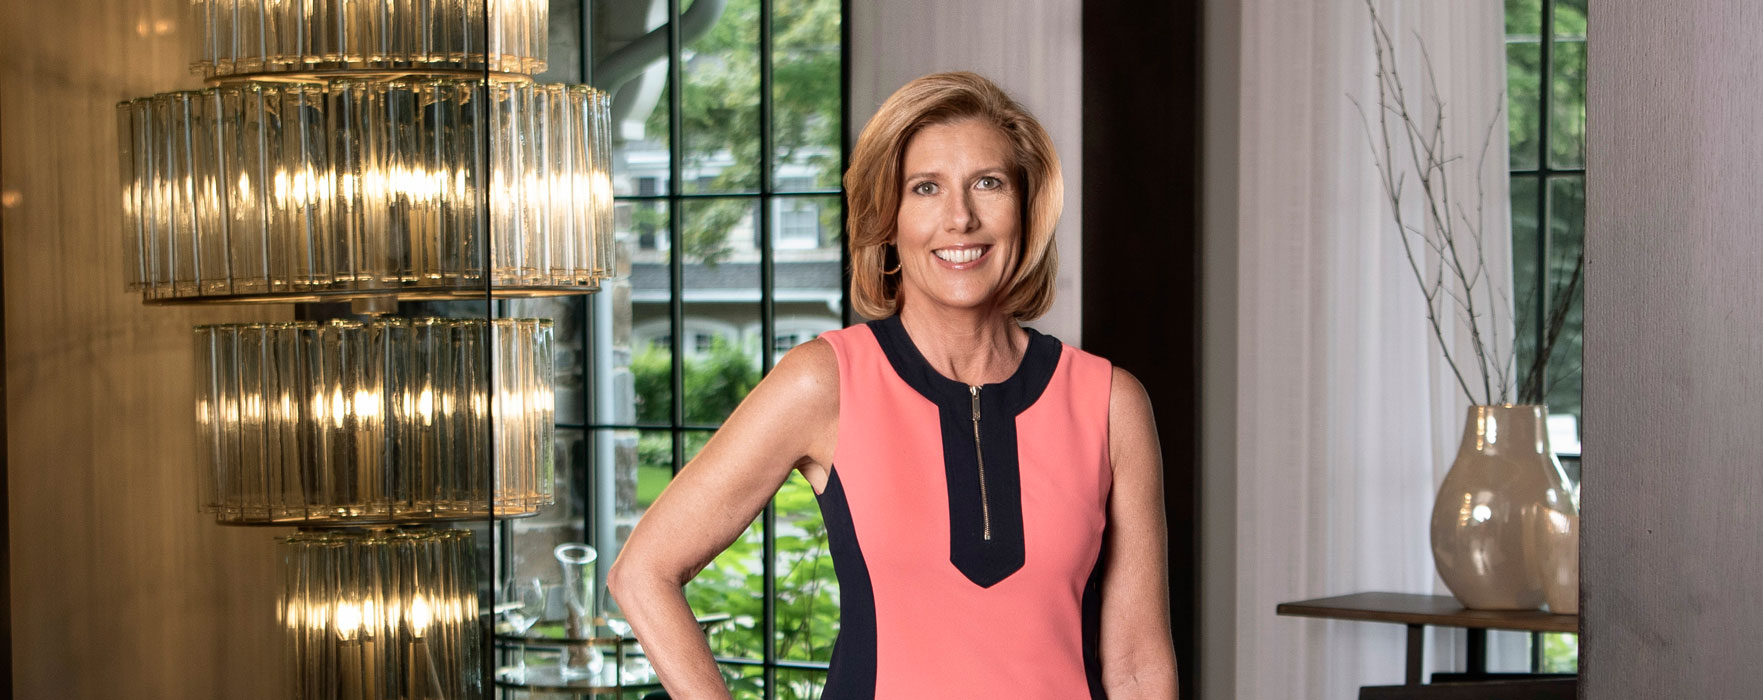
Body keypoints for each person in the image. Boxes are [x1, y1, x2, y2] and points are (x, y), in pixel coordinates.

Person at [607, 71, 1177, 699]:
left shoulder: (1111, 403)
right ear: (888, 219)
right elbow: (644, 572)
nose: (960, 218)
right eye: (925, 188)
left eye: (988, 183)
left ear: (1026, 207)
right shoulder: (825, 382)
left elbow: (1136, 664)